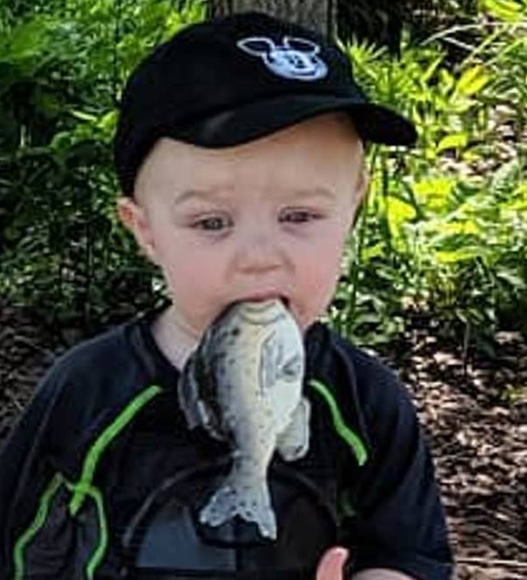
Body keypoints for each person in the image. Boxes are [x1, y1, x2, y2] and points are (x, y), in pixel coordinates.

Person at [0, 11, 453, 580]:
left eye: (300, 215)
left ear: (353, 207)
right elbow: (16, 542)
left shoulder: (366, 402)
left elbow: (410, 554)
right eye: (212, 223)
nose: (259, 255)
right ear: (145, 230)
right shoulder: (87, 390)